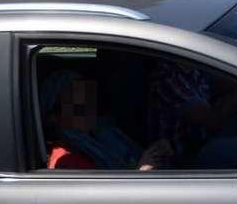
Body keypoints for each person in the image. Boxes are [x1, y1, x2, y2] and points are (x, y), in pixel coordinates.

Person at [148, 60, 237, 169]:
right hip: (190, 154)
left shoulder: (191, 67)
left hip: (207, 136)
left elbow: (218, 85)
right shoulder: (169, 80)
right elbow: (214, 121)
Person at [41, 71, 171, 170]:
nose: (86, 106)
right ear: (54, 117)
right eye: (75, 102)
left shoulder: (104, 132)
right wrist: (143, 171)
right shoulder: (66, 159)